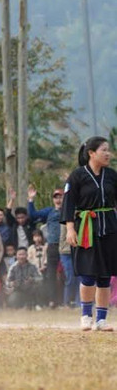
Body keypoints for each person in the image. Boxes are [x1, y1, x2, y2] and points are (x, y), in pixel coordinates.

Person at [62, 136, 117, 331]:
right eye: (104, 150)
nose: (108, 153)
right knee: (88, 274)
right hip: (86, 229)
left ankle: (101, 320)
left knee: (105, 277)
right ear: (91, 153)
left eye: (108, 150)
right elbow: (68, 204)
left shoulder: (112, 175)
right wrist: (70, 229)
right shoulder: (77, 176)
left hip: (109, 228)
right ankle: (86, 316)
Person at [28, 185, 63, 308]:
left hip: (68, 245)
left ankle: (69, 301)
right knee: (51, 275)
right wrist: (31, 200)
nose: (58, 199)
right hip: (53, 245)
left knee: (69, 273)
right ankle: (52, 301)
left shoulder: (69, 210)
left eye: (61, 196)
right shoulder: (49, 211)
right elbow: (32, 215)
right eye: (56, 197)